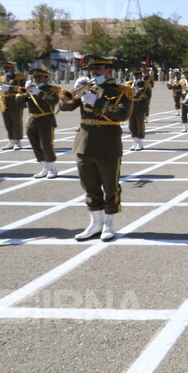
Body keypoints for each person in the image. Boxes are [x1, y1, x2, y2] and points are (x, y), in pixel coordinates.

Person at [59, 55, 133, 241]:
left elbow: (123, 114)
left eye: (98, 69)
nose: (93, 73)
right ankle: (95, 223)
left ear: (109, 71)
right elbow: (64, 106)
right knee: (90, 186)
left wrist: (96, 101)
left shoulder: (122, 91)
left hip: (108, 143)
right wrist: (74, 90)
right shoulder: (85, 89)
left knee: (110, 186)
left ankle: (109, 224)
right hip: (84, 142)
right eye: (91, 70)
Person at [15, 68, 61, 178]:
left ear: (46, 78)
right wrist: (25, 91)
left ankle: (52, 168)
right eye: (35, 77)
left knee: (46, 145)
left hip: (46, 120)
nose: (37, 79)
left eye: (40, 77)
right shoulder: (31, 89)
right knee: (35, 146)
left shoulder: (51, 90)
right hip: (32, 121)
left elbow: (53, 101)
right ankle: (44, 167)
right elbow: (19, 101)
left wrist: (39, 93)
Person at [0, 61, 26, 150]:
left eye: (8, 68)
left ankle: (18, 141)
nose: (6, 70)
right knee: (7, 122)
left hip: (16, 101)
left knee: (16, 122)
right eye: (5, 68)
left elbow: (24, 89)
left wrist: (10, 88)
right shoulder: (2, 78)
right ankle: (11, 140)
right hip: (5, 101)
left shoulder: (19, 77)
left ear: (13, 68)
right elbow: (1, 90)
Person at [125, 67, 152, 151]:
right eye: (134, 75)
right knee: (131, 125)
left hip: (140, 106)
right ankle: (135, 142)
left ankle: (140, 143)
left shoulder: (145, 84)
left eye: (138, 75)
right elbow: (125, 95)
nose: (136, 76)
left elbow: (147, 96)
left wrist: (138, 92)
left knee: (140, 125)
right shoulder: (128, 84)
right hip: (131, 106)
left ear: (141, 75)